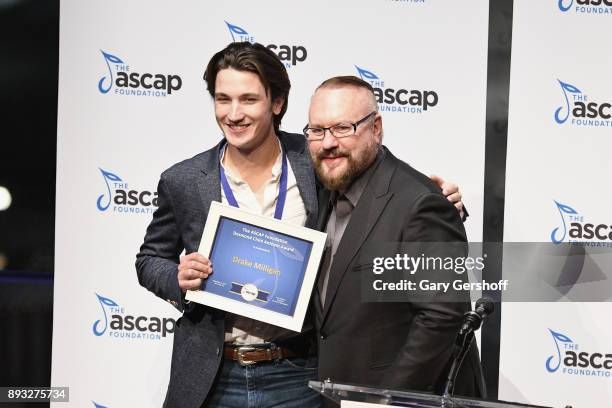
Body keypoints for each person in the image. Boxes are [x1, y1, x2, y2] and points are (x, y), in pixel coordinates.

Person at [136, 42, 467, 408]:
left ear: (276, 103)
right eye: (222, 99)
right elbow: (150, 258)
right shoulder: (183, 179)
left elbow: (381, 189)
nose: (233, 114)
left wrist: (444, 200)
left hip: (299, 371)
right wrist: (176, 278)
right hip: (214, 372)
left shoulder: (315, 162)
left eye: (248, 99)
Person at [304, 76, 485, 398]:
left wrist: (389, 400)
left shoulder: (420, 202)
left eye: (343, 128)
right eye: (317, 131)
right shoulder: (325, 193)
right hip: (336, 392)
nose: (328, 142)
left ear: (376, 128)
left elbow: (441, 317)